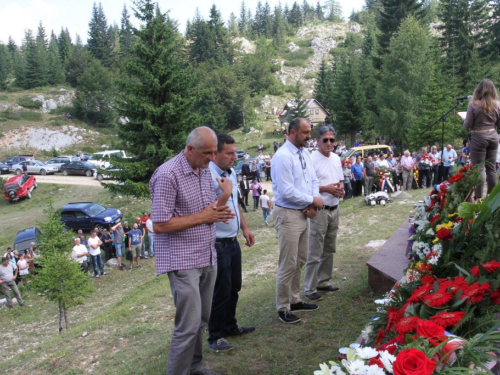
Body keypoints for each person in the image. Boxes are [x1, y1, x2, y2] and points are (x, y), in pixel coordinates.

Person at [149, 126, 234, 375]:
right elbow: (160, 224)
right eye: (207, 153)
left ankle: (195, 367)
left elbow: (207, 212)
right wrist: (203, 216)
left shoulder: (203, 170)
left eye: (213, 152)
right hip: (182, 261)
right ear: (189, 149)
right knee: (187, 326)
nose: (211, 157)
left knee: (201, 321)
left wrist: (223, 200)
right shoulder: (168, 174)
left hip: (207, 255)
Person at [271, 118, 323, 324]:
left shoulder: (304, 153)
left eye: (309, 132)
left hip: (302, 213)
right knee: (288, 262)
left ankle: (294, 299)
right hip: (288, 214)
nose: (309, 136)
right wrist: (312, 200)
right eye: (305, 133)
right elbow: (286, 191)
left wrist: (311, 204)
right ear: (292, 132)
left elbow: (313, 180)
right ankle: (283, 307)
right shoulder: (283, 156)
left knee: (300, 259)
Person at [207, 133, 256, 352]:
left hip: (232, 240)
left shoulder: (231, 173)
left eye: (235, 152)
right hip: (217, 242)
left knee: (234, 286)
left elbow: (235, 204)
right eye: (229, 153)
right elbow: (207, 212)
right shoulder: (207, 175)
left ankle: (229, 325)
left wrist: (244, 228)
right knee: (221, 290)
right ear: (215, 153)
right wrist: (224, 194)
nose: (233, 157)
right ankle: (215, 337)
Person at [304, 125, 343, 302]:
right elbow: (306, 185)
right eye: (325, 140)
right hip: (319, 210)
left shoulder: (336, 158)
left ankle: (324, 281)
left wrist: (339, 188)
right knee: (315, 250)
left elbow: (339, 179)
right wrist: (326, 188)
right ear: (318, 141)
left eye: (332, 140)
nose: (329, 143)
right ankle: (309, 287)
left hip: (334, 207)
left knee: (329, 248)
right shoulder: (311, 159)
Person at [464, 79, 500, 199]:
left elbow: (467, 125)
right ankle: (491, 197)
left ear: (478, 90)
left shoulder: (474, 105)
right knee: (491, 168)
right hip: (493, 136)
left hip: (479, 137)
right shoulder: (497, 104)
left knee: (478, 168)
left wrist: (465, 121)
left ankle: (478, 197)